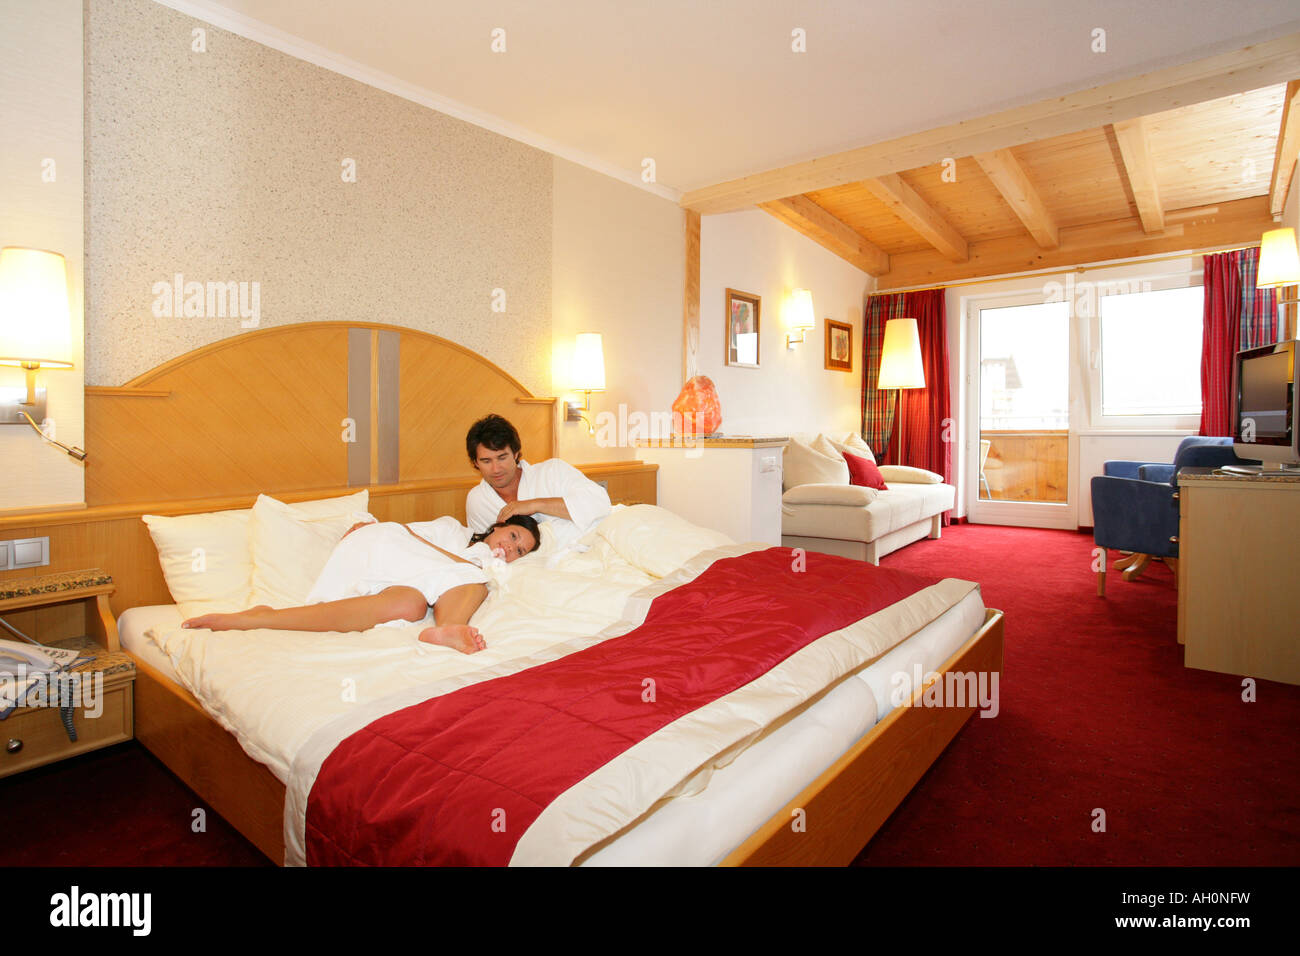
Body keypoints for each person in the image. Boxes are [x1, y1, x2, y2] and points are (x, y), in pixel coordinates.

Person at [180, 514, 540, 655]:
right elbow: (403, 533)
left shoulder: (497, 568)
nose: (509, 548)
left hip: (407, 581)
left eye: (519, 549)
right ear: (497, 525)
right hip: (386, 552)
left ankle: (264, 616)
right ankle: (448, 627)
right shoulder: (452, 531)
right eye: (511, 535)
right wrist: (369, 525)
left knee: (410, 606)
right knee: (473, 577)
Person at [465, 414, 612, 548]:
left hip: (593, 549)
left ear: (516, 454)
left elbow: (600, 502)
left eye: (502, 458)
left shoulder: (553, 471)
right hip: (537, 571)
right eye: (486, 461)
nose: (496, 469)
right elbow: (484, 550)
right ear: (476, 463)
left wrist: (536, 505)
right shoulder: (478, 500)